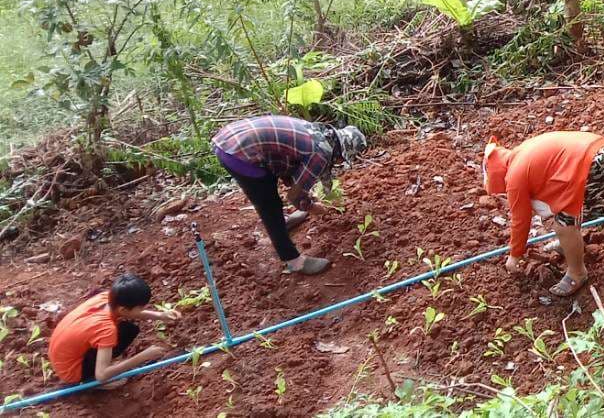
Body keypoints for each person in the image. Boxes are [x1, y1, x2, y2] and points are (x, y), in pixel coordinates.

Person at [211, 116, 367, 276]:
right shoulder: (320, 154)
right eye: (342, 159)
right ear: (340, 152)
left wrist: (305, 194)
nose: (340, 162)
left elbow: (287, 163)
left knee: (269, 187)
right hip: (238, 152)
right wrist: (312, 207)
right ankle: (293, 261)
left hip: (232, 135)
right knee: (269, 205)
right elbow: (294, 196)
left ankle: (284, 222)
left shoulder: (319, 134)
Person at [483, 131, 604, 298]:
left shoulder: (514, 178)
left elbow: (521, 221)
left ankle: (577, 273)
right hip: (600, 151)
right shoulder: (520, 154)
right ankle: (570, 246)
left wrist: (515, 255)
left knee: (563, 227)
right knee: (572, 214)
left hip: (589, 163)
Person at [48, 274, 181, 389]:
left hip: (60, 357)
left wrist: (160, 316)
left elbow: (130, 312)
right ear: (123, 309)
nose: (142, 310)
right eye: (140, 308)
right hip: (72, 371)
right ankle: (91, 381)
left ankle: (103, 362)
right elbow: (102, 375)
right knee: (125, 334)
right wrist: (143, 357)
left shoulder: (106, 297)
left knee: (127, 330)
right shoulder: (106, 329)